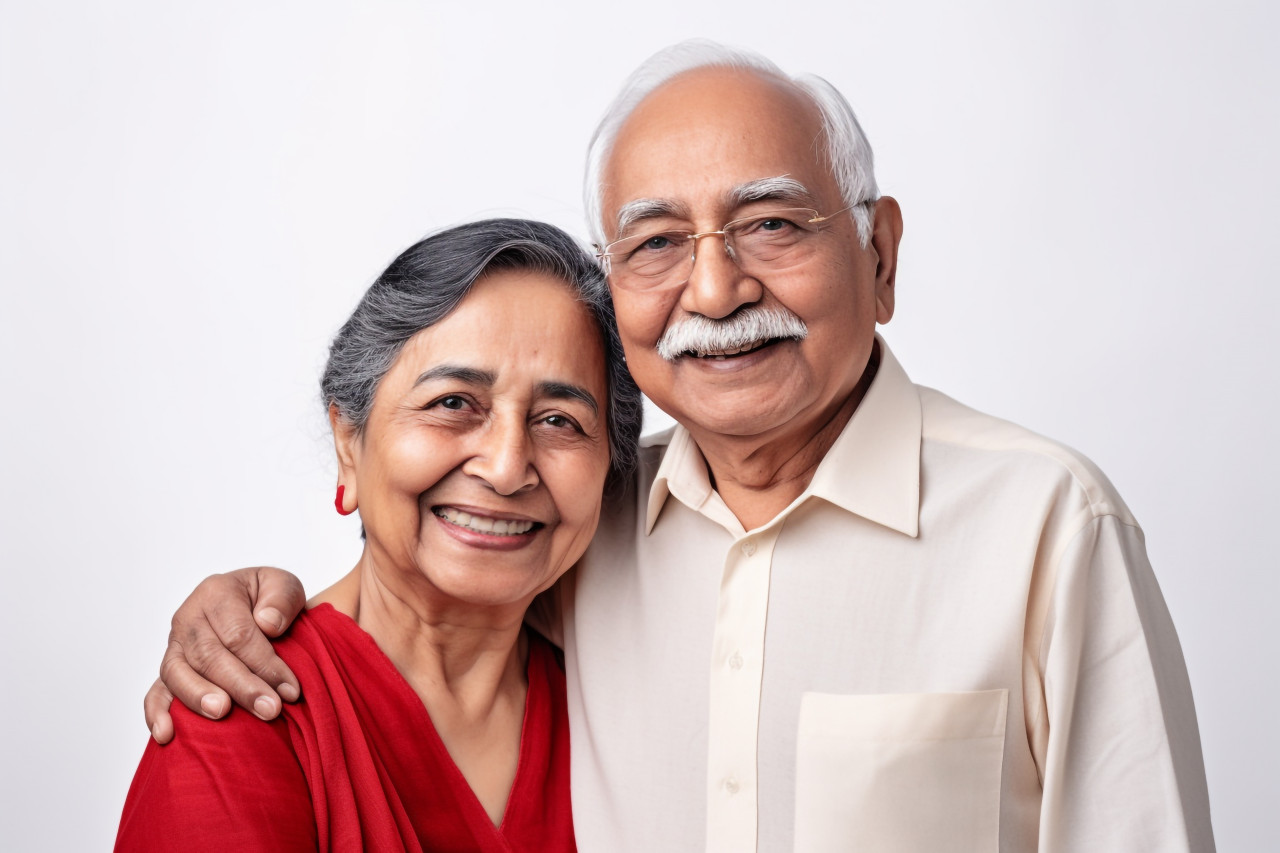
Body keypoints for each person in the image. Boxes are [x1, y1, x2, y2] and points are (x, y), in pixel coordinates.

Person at [143, 42, 1215, 851]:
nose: (714, 288)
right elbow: (419, 581)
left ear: (880, 255)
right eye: (657, 242)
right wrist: (235, 605)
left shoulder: (1046, 526)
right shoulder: (584, 530)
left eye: (772, 224)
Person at [117, 218, 642, 851]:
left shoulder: (622, 709)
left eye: (559, 420)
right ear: (349, 442)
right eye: (453, 403)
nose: (506, 469)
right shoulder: (242, 703)